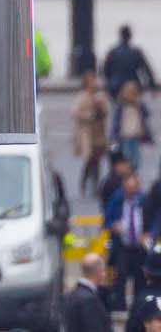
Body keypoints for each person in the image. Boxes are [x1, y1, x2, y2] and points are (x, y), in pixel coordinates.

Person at [108, 166, 151, 309]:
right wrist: (114, 226)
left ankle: (139, 308)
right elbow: (107, 220)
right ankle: (119, 308)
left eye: (134, 189)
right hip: (123, 247)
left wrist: (149, 233)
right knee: (120, 279)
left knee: (141, 280)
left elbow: (155, 219)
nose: (131, 193)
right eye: (128, 190)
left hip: (140, 247)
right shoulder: (117, 199)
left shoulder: (144, 199)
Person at [77, 71, 114, 194]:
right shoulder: (82, 96)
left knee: (97, 160)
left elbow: (106, 111)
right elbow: (76, 113)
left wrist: (101, 106)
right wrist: (89, 115)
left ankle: (96, 184)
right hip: (87, 132)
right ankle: (84, 182)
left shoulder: (100, 96)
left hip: (99, 133)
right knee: (89, 159)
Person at [115, 80, 156, 177]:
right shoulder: (121, 107)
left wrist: (140, 104)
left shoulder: (139, 106)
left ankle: (134, 174)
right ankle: (128, 176)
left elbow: (147, 114)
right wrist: (114, 137)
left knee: (136, 159)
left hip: (136, 135)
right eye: (127, 94)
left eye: (132, 94)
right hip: (125, 136)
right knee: (126, 157)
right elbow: (115, 123)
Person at [107, 25, 158, 101]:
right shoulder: (136, 52)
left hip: (116, 87)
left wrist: (110, 81)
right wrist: (153, 86)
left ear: (120, 35)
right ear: (130, 36)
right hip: (133, 86)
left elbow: (105, 70)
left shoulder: (112, 52)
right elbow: (146, 70)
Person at [65, 256, 109, 332]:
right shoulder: (90, 300)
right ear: (99, 272)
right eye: (103, 271)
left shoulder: (68, 296)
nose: (104, 275)